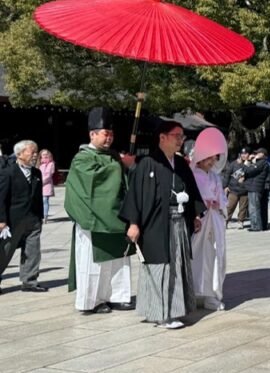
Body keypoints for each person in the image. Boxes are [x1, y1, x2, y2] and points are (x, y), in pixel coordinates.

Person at [120, 120, 206, 329]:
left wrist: (195, 215)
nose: (180, 140)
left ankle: (176, 310)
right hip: (156, 223)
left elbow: (192, 190)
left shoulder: (182, 164)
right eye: (176, 135)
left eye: (182, 136)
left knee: (178, 265)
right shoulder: (148, 163)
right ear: (162, 137)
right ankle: (160, 313)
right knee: (160, 266)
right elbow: (136, 196)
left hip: (179, 221)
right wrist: (133, 223)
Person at [65, 108, 135, 313]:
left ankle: (117, 296)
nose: (109, 138)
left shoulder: (113, 155)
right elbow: (93, 184)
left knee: (117, 261)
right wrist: (120, 165)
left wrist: (124, 165)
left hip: (115, 216)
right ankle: (90, 301)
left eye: (111, 134)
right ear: (92, 134)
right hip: (93, 219)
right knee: (93, 265)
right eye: (106, 133)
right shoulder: (82, 158)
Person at [0, 140, 47, 294]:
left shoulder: (36, 173)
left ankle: (30, 281)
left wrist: (40, 216)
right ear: (19, 154)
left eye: (36, 152)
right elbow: (1, 198)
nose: (35, 155)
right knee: (5, 251)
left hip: (33, 219)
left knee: (33, 250)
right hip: (13, 220)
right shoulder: (8, 172)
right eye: (31, 152)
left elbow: (38, 197)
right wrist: (2, 220)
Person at [191, 128, 229, 311]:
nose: (212, 162)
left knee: (215, 255)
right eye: (210, 157)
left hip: (214, 219)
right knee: (196, 255)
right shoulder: (192, 174)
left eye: (215, 158)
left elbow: (222, 196)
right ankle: (192, 293)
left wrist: (219, 203)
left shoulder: (214, 176)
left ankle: (212, 295)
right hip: (200, 219)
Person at [242, 148, 270, 232]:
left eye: (258, 153)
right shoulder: (258, 163)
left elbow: (247, 170)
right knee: (255, 207)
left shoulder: (262, 163)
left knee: (254, 208)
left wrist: (247, 161)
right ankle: (259, 225)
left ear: (263, 154)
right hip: (254, 187)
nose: (256, 154)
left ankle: (256, 226)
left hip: (255, 187)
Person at [224, 148, 249, 229]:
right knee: (230, 207)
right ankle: (225, 222)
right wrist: (225, 186)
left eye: (246, 154)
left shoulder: (250, 164)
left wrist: (246, 164)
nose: (244, 155)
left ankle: (240, 221)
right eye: (242, 154)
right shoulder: (234, 164)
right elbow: (227, 175)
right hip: (233, 189)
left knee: (243, 208)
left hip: (245, 189)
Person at [38, 149, 56, 223]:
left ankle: (45, 216)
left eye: (46, 154)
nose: (45, 156)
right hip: (39, 185)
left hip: (46, 185)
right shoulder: (39, 164)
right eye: (43, 154)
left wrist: (41, 182)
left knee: (45, 200)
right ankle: (40, 215)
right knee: (40, 201)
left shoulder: (51, 163)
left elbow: (48, 175)